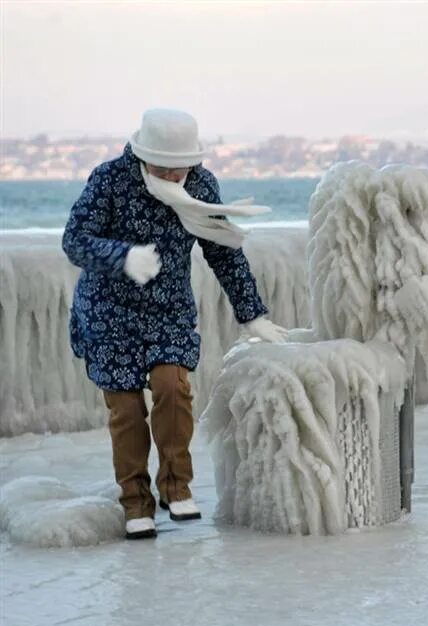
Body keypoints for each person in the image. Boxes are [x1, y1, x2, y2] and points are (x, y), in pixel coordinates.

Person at [62, 108, 287, 540]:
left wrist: (252, 314)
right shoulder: (110, 179)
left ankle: (176, 486)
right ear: (142, 155)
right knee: (126, 409)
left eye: (178, 166)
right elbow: (74, 239)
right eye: (160, 165)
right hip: (109, 312)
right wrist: (121, 257)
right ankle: (135, 502)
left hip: (168, 313)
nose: (170, 174)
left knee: (172, 387)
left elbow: (222, 250)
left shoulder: (201, 184)